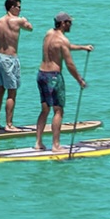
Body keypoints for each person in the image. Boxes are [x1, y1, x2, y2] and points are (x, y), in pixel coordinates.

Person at [35, 12, 92, 151]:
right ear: (62, 23)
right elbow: (69, 64)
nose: (71, 25)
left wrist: (83, 47)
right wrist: (80, 80)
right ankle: (56, 145)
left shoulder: (48, 33)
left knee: (45, 110)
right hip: (53, 77)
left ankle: (38, 143)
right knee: (58, 111)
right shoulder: (62, 40)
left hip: (41, 74)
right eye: (69, 22)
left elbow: (63, 47)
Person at [0, 0, 33, 130]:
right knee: (11, 92)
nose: (20, 9)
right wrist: (25, 20)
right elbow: (30, 28)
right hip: (9, 59)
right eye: (18, 7)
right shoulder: (18, 21)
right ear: (12, 7)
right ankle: (9, 124)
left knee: (0, 90)